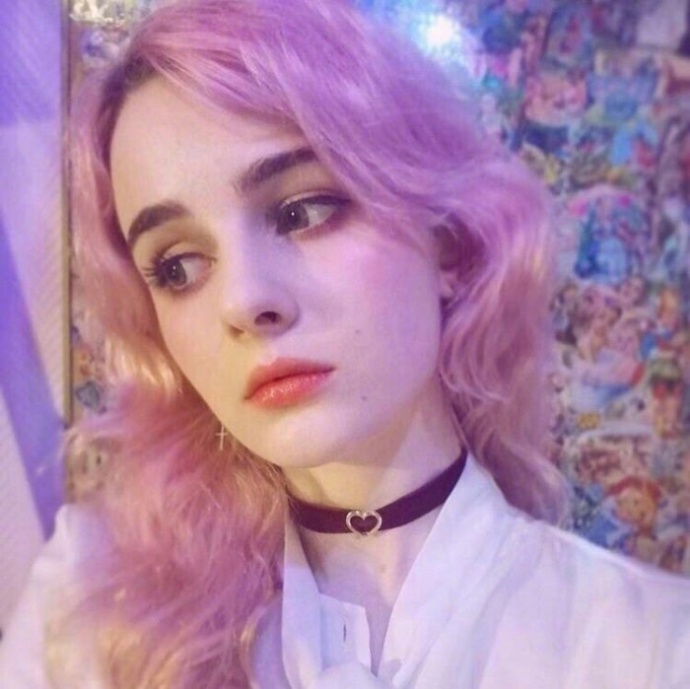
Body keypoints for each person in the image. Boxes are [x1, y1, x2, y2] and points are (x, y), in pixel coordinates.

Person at [2, 0, 690, 687]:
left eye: (302, 211)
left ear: (447, 240)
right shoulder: (88, 611)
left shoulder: (650, 645)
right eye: (178, 266)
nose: (243, 301)